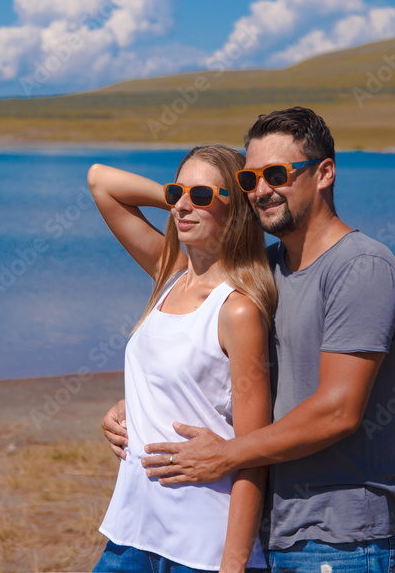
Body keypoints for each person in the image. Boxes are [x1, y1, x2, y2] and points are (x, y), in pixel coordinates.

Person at [103, 108, 395, 572]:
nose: (263, 190)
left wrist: (225, 455)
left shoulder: (361, 268)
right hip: (272, 528)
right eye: (250, 180)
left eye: (277, 174)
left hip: (340, 538)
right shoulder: (259, 272)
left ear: (324, 173)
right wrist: (145, 403)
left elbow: (338, 411)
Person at [87, 145, 276, 573]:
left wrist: (234, 563)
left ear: (238, 208)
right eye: (178, 193)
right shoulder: (171, 274)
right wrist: (127, 408)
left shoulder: (237, 309)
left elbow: (252, 450)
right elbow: (100, 179)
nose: (183, 206)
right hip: (132, 534)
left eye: (204, 196)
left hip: (201, 548)